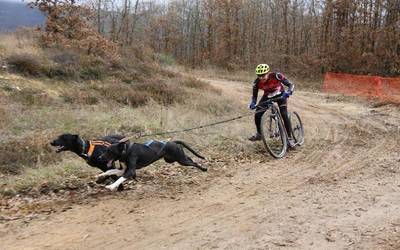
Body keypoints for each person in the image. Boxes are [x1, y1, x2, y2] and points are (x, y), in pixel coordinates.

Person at [248, 64, 295, 145]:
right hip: (268, 96)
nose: (261, 78)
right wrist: (253, 103)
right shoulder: (256, 83)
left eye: (263, 75)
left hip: (281, 95)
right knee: (257, 114)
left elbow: (290, 84)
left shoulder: (277, 76)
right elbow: (254, 96)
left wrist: (289, 92)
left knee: (284, 114)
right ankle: (259, 134)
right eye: (259, 75)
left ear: (268, 73)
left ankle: (289, 138)